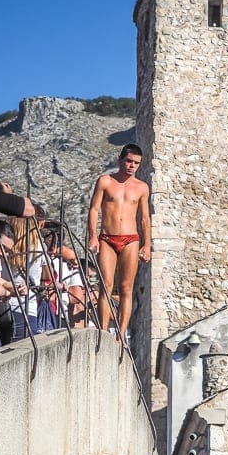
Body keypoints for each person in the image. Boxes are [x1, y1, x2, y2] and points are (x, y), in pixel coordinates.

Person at [87, 144, 151, 337]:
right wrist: (92, 235)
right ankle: (103, 331)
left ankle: (121, 334)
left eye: (136, 163)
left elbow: (144, 218)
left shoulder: (142, 187)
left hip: (131, 239)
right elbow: (94, 209)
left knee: (126, 287)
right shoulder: (105, 181)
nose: (132, 166)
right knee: (105, 284)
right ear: (120, 160)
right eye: (129, 161)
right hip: (107, 237)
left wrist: (147, 245)